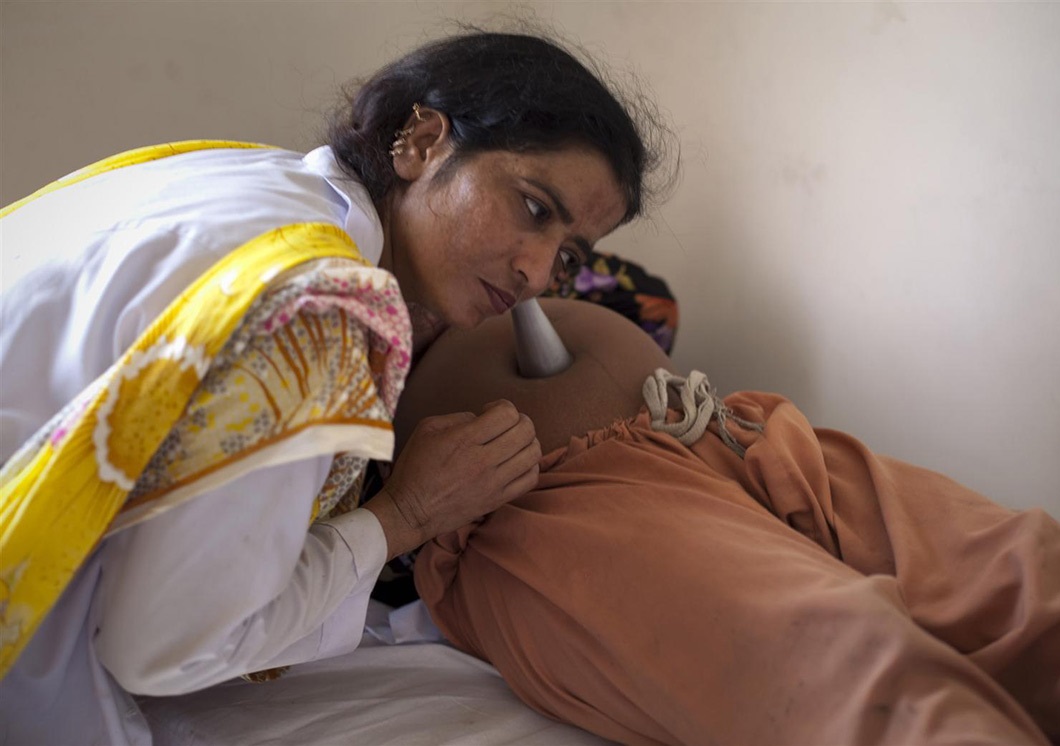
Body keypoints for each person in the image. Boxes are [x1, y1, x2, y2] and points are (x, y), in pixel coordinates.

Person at [0, 31, 665, 745]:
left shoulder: (238, 175)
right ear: (422, 141)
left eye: (566, 256)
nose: (536, 273)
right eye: (532, 208)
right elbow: (166, 649)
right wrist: (406, 514)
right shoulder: (320, 306)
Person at [395, 298, 1060, 746]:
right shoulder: (341, 281)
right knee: (849, 664)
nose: (539, 265)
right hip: (547, 511)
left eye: (570, 239)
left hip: (724, 427)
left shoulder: (590, 277)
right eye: (534, 205)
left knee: (1037, 572)